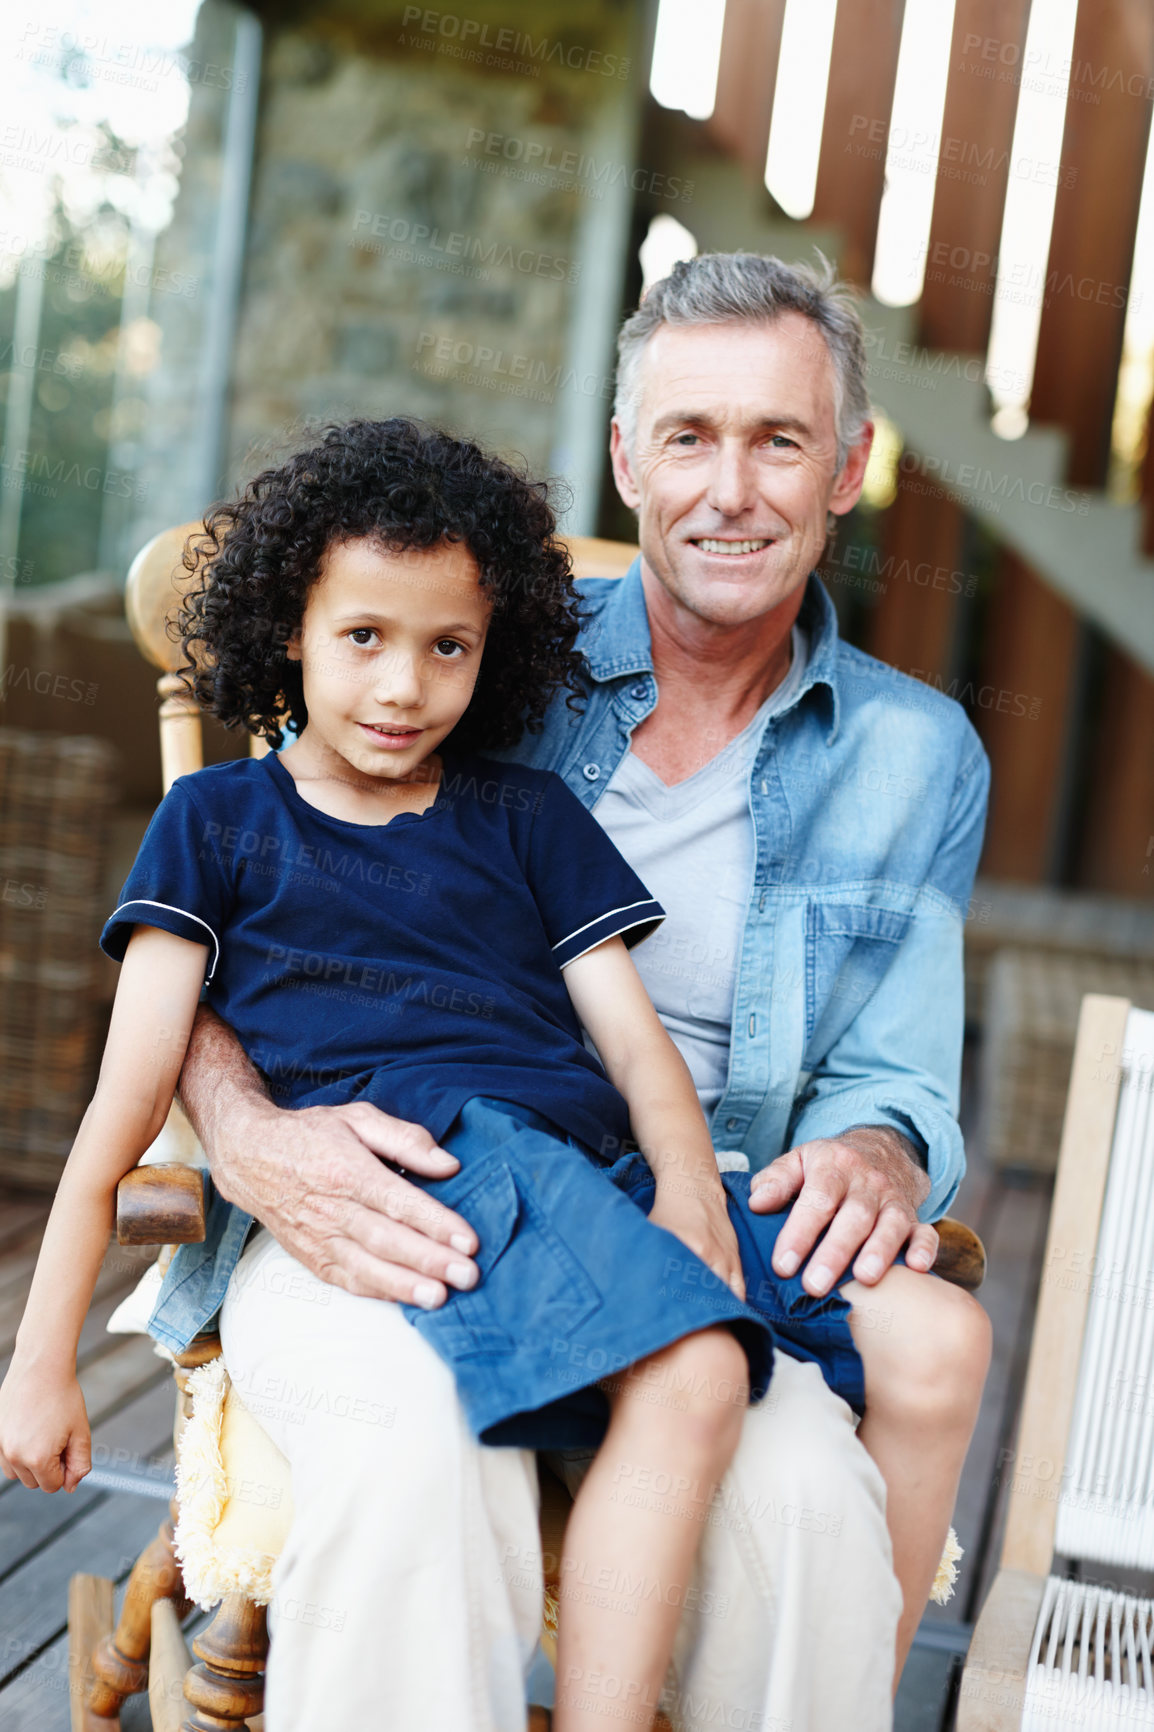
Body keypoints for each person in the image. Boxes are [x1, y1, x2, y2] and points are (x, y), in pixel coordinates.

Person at [3, 417, 948, 1732]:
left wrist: (683, 1189)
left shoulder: (524, 818)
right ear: (289, 628)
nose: (403, 685)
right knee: (666, 1381)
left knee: (784, 1413)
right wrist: (41, 1357)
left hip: (565, 1189)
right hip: (377, 1197)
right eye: (363, 639)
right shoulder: (216, 823)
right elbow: (126, 1098)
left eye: (446, 646)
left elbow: (633, 1044)